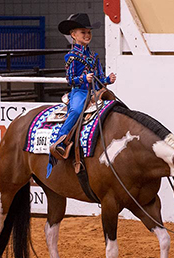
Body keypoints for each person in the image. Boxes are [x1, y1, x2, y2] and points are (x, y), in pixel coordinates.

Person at [50, 13, 116, 161]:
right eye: (83, 32)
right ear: (73, 35)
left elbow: (99, 77)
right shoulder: (71, 56)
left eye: (89, 32)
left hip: (95, 91)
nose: (87, 35)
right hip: (80, 91)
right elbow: (70, 79)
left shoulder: (94, 56)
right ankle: (61, 140)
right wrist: (83, 78)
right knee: (76, 110)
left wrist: (107, 79)